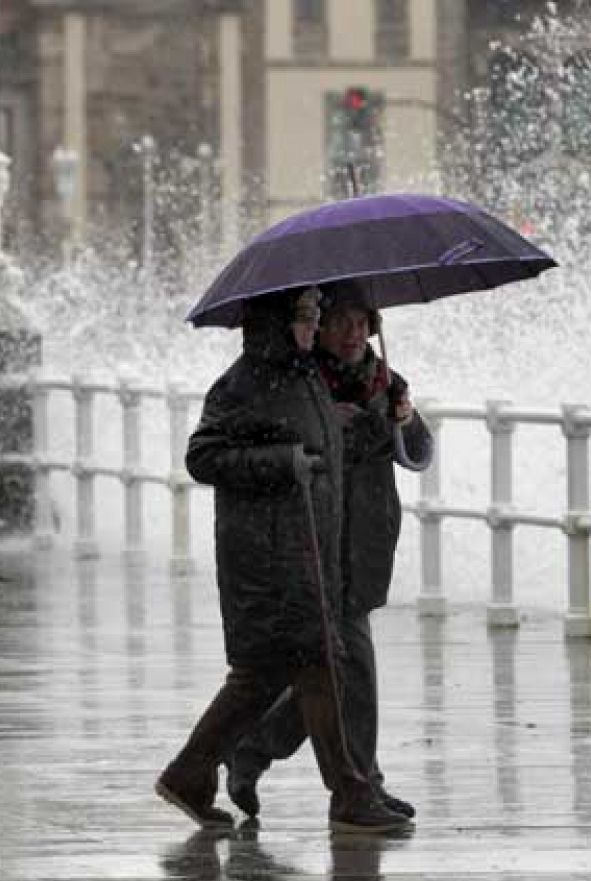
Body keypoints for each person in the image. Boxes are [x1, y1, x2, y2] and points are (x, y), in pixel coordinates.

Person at [155, 286, 409, 834]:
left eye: (317, 315)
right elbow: (203, 456)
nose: (313, 325)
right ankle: (351, 793)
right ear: (277, 319)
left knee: (292, 670)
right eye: (307, 315)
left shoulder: (304, 376)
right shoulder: (246, 382)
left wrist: (384, 417)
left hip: (308, 549)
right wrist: (285, 461)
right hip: (268, 556)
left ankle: (193, 773)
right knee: (288, 669)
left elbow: (334, 448)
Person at [223, 292, 434, 822]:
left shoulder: (385, 381)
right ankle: (359, 787)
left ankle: (252, 749)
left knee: (330, 675)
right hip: (316, 540)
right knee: (350, 665)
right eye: (340, 323)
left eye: (361, 323)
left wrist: (404, 420)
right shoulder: (303, 386)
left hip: (365, 540)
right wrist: (329, 430)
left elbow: (418, 454)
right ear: (318, 329)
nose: (352, 334)